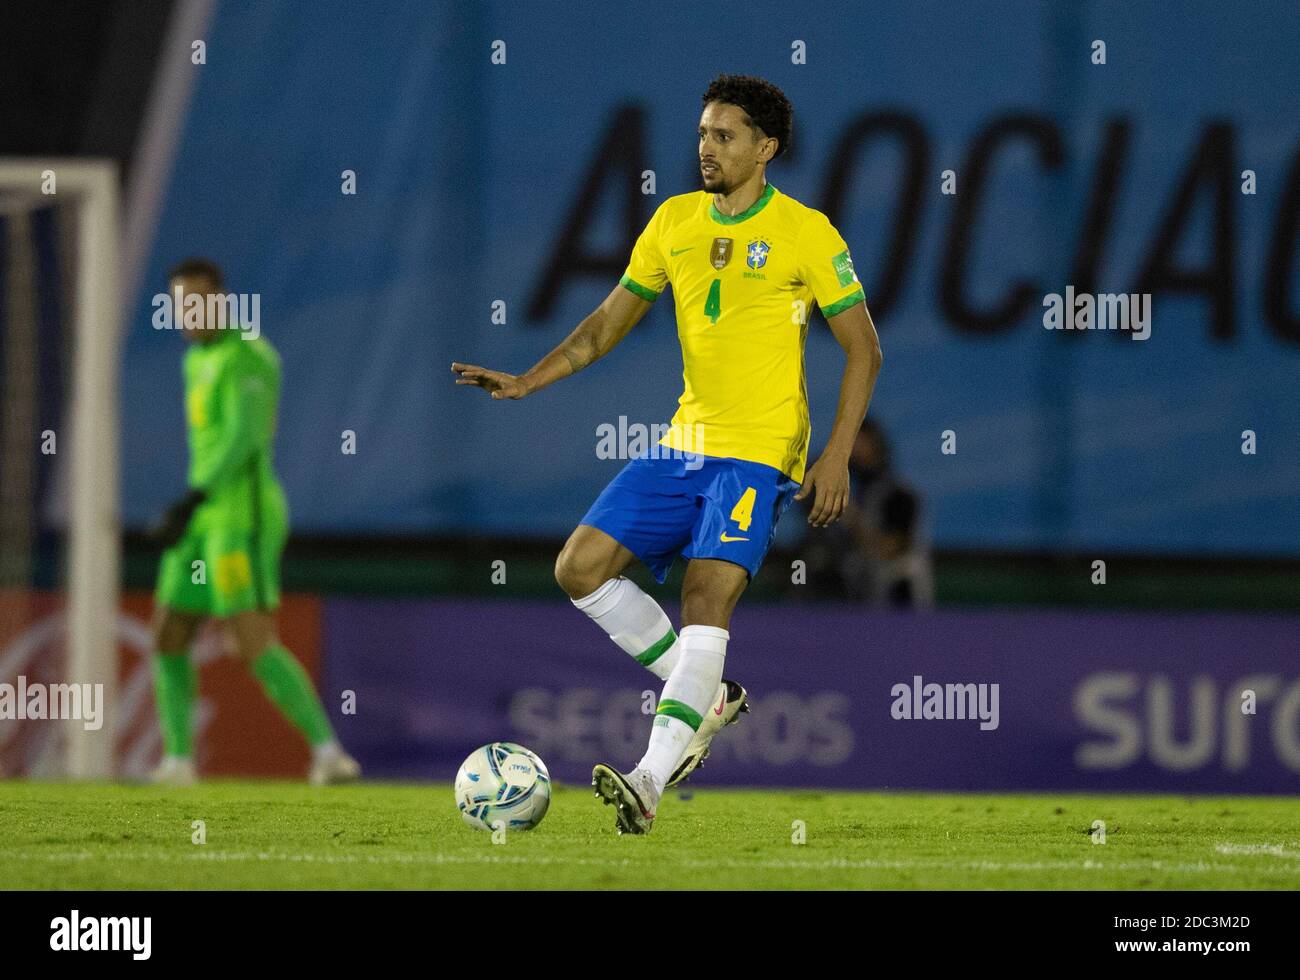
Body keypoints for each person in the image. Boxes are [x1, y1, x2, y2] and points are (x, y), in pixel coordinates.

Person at [452, 75, 882, 834]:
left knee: (704, 598)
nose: (705, 149)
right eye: (702, 134)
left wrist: (838, 455)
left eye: (724, 136)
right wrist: (528, 381)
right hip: (684, 442)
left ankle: (650, 779)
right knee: (578, 569)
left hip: (760, 452)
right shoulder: (674, 221)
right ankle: (707, 697)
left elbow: (864, 350)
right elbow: (604, 325)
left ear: (765, 147)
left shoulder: (808, 232)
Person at [148, 258, 359, 786]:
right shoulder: (194, 360)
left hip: (241, 516)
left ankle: (328, 753)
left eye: (198, 300)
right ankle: (177, 762)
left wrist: (191, 497)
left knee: (250, 639)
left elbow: (247, 439)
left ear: (221, 299)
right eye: (180, 304)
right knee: (170, 634)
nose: (189, 313)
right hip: (202, 512)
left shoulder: (249, 356)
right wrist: (193, 503)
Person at [796, 419, 933, 607]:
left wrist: (851, 518)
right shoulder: (853, 489)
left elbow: (890, 549)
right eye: (853, 446)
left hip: (895, 593)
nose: (856, 452)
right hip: (852, 585)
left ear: (877, 447)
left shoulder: (900, 495)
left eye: (862, 445)